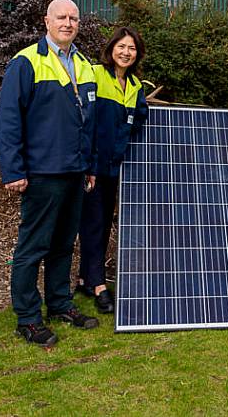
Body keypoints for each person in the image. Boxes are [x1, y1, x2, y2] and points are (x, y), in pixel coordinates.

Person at [0, 0, 100, 347]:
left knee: (63, 245)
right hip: (41, 173)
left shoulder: (84, 65)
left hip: (75, 172)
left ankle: (60, 304)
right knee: (33, 246)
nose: (68, 23)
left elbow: (89, 122)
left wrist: (88, 166)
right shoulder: (26, 62)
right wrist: (13, 170)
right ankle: (27, 318)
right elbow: (8, 119)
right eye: (61, 17)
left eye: (73, 18)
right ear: (46, 21)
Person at [76, 27, 149, 313]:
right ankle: (98, 285)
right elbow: (84, 120)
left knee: (102, 221)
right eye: (121, 46)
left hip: (114, 168)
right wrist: (88, 165)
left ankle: (85, 278)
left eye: (131, 48)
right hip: (92, 166)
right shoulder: (95, 74)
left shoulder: (134, 86)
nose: (126, 52)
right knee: (94, 222)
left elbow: (140, 117)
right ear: (111, 48)